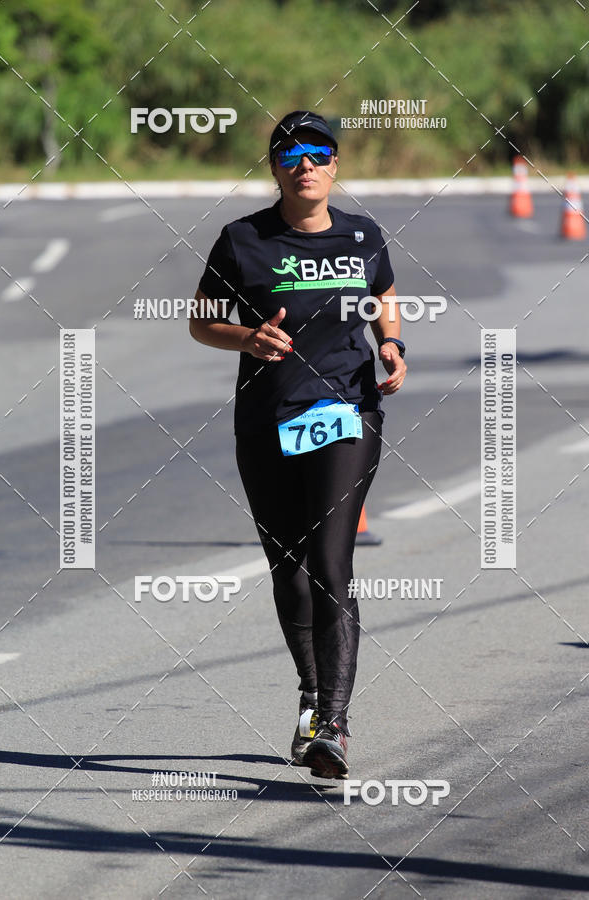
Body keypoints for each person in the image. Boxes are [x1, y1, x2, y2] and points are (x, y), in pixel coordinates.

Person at [190, 110, 407, 779]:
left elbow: (385, 291)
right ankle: (312, 699)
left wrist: (392, 344)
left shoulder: (362, 235)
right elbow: (201, 320)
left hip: (346, 410)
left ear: (335, 164)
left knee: (329, 564)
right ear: (275, 168)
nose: (304, 163)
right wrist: (247, 339)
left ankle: (335, 727)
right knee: (288, 567)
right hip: (265, 419)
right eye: (290, 153)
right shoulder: (242, 240)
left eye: (318, 152)